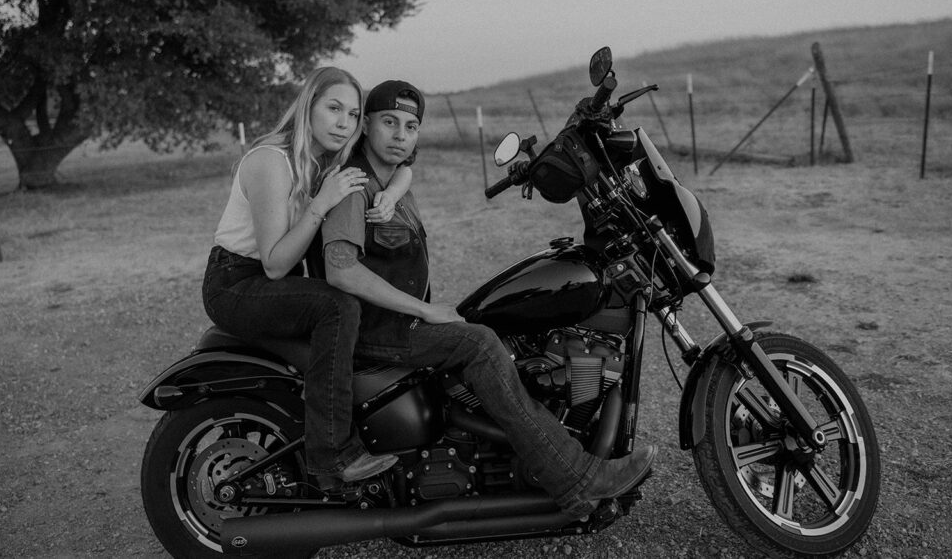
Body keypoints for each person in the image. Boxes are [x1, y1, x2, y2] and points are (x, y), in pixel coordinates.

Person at [316, 79, 656, 517]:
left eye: (411, 125)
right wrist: (423, 310)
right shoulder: (354, 184)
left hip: (395, 321)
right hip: (377, 328)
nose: (401, 134)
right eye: (389, 122)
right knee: (479, 343)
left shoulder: (388, 176)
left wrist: (399, 185)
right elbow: (340, 268)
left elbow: (405, 167)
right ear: (365, 126)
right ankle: (576, 479)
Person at [201, 66, 412, 484]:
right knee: (337, 306)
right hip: (236, 283)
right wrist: (321, 203)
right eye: (334, 108)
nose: (343, 123)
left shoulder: (323, 161)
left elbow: (405, 164)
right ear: (307, 107)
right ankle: (331, 456)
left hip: (270, 281)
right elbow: (275, 263)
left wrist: (390, 194)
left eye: (353, 115)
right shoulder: (271, 162)